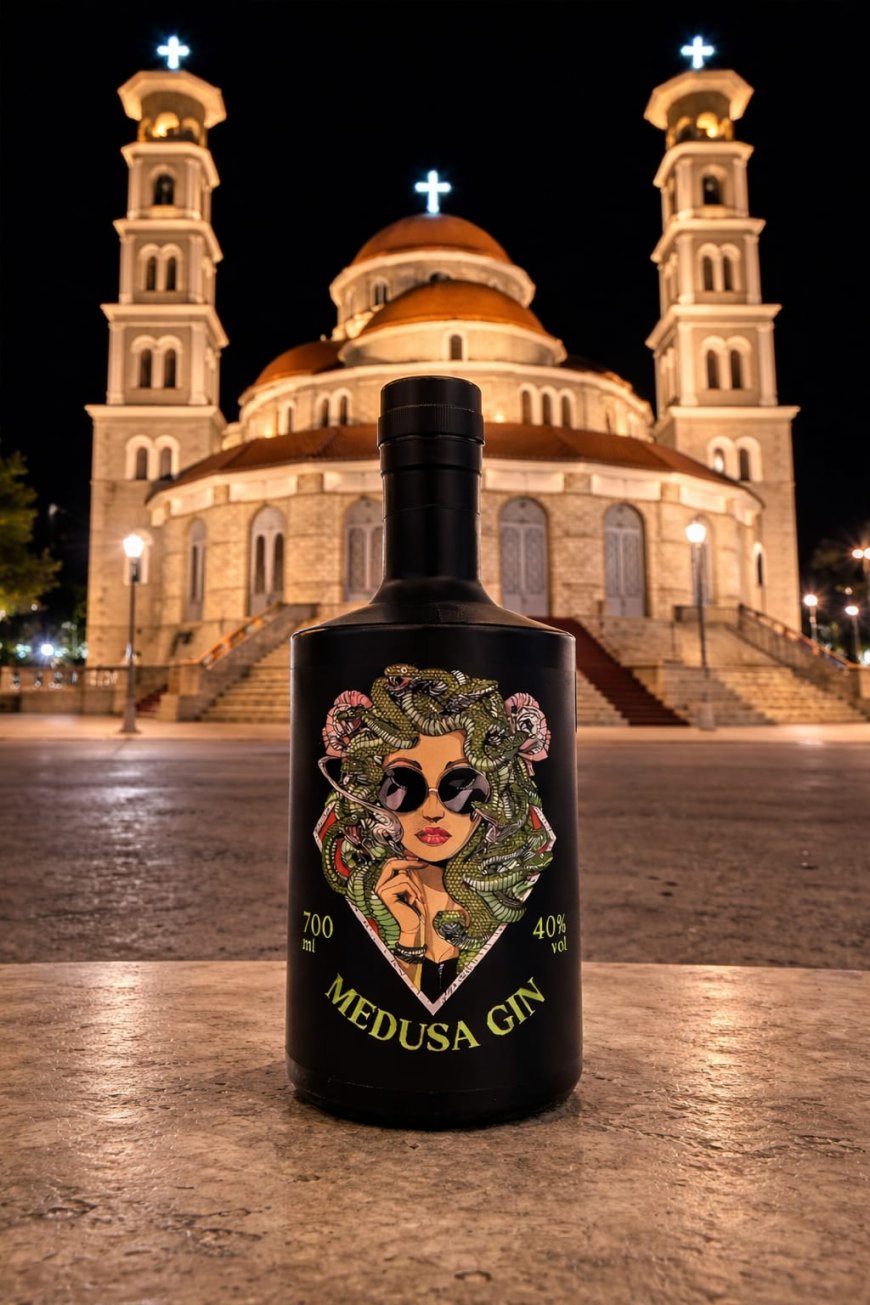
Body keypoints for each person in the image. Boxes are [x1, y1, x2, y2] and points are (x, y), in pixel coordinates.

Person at [315, 664, 554, 1003]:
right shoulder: (371, 896)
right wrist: (409, 934)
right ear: (372, 797)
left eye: (460, 787)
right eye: (403, 785)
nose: (432, 811)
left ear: (496, 795)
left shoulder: (504, 893)